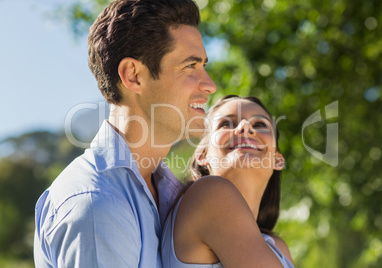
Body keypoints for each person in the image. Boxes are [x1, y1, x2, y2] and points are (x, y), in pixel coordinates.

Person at [34, 0, 216, 267]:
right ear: (133, 76)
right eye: (191, 66)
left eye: (203, 66)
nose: (210, 85)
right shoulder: (98, 205)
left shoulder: (166, 189)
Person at [162, 95, 294, 267]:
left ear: (278, 160)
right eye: (226, 124)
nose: (245, 127)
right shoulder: (210, 194)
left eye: (260, 125)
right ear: (203, 155)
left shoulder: (277, 246)